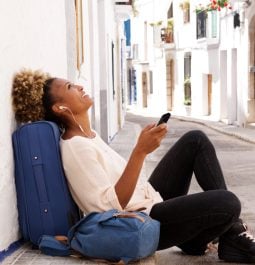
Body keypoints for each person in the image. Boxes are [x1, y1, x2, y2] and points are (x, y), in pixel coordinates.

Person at [40, 77, 255, 263]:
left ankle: (203, 239)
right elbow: (109, 209)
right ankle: (228, 237)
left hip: (150, 199)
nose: (79, 86)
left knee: (195, 140)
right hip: (143, 222)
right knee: (228, 203)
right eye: (70, 87)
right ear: (60, 108)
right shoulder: (76, 147)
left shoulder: (90, 135)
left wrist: (144, 147)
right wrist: (140, 152)